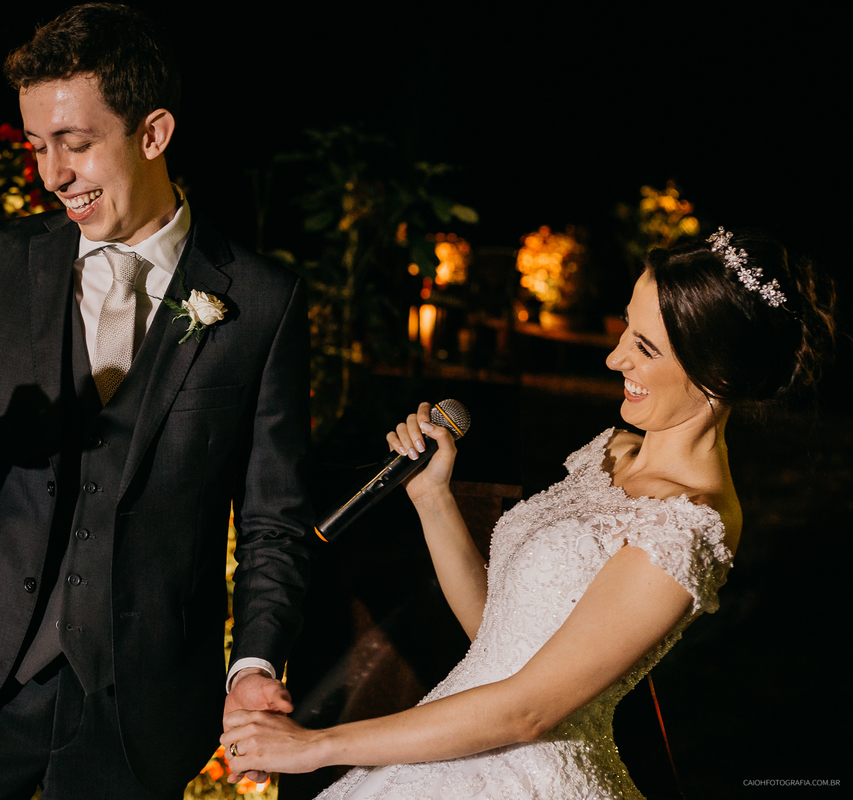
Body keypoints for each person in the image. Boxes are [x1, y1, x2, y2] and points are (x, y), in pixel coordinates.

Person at [220, 228, 835, 798]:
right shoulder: (609, 451)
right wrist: (432, 496)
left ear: (715, 376)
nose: (613, 357)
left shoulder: (688, 525)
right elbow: (501, 634)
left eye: (645, 347)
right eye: (626, 327)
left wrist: (316, 745)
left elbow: (527, 710)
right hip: (450, 741)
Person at [0, 5, 312, 798]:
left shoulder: (262, 301)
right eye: (38, 147)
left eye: (76, 145)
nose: (53, 175)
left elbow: (273, 519)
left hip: (135, 708)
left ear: (152, 134)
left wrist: (252, 661)